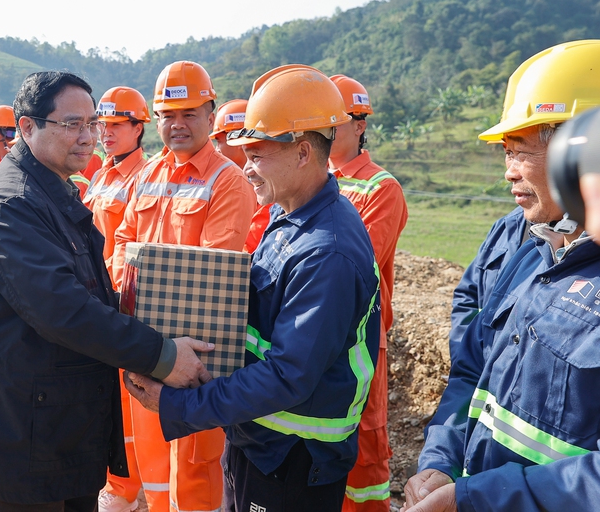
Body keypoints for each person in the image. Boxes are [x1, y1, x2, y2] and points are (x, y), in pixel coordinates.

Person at [0, 70, 215, 511]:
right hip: (17, 440)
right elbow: (64, 310)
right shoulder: (11, 205)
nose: (88, 137)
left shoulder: (53, 192)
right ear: (28, 127)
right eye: (72, 124)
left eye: (92, 124)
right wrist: (161, 354)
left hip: (55, 429)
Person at [125, 64, 380, 512]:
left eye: (258, 156)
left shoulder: (326, 252)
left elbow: (287, 375)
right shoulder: (291, 218)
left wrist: (182, 404)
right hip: (261, 439)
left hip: (294, 456)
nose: (247, 169)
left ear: (302, 153)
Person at [402, 39, 600, 512]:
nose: (508, 173)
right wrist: (441, 459)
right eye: (504, 153)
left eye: (520, 152)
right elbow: (475, 366)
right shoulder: (541, 251)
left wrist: (475, 498)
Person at [112, 60, 257, 512]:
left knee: (195, 466)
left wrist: (167, 345)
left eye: (189, 113)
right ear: (155, 121)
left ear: (211, 115)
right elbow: (122, 240)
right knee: (153, 461)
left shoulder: (227, 182)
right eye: (167, 115)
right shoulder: (148, 175)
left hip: (194, 352)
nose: (177, 125)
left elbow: (212, 276)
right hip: (145, 344)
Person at [327, 74, 408, 512]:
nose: (326, 132)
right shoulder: (310, 179)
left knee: (364, 448)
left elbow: (358, 268)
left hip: (360, 339)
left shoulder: (381, 188)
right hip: (315, 334)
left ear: (360, 125)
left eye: (336, 122)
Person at [88, 86, 152, 512]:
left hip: (121, 300)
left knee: (130, 402)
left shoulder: (141, 177)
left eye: (115, 125)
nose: (105, 133)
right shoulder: (101, 174)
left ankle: (127, 487)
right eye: (102, 125)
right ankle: (116, 478)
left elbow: (132, 245)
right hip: (96, 296)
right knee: (108, 399)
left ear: (139, 128)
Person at [209, 99, 271, 254]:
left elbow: (248, 247)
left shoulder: (269, 190)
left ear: (237, 140)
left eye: (218, 141)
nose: (216, 149)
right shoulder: (224, 183)